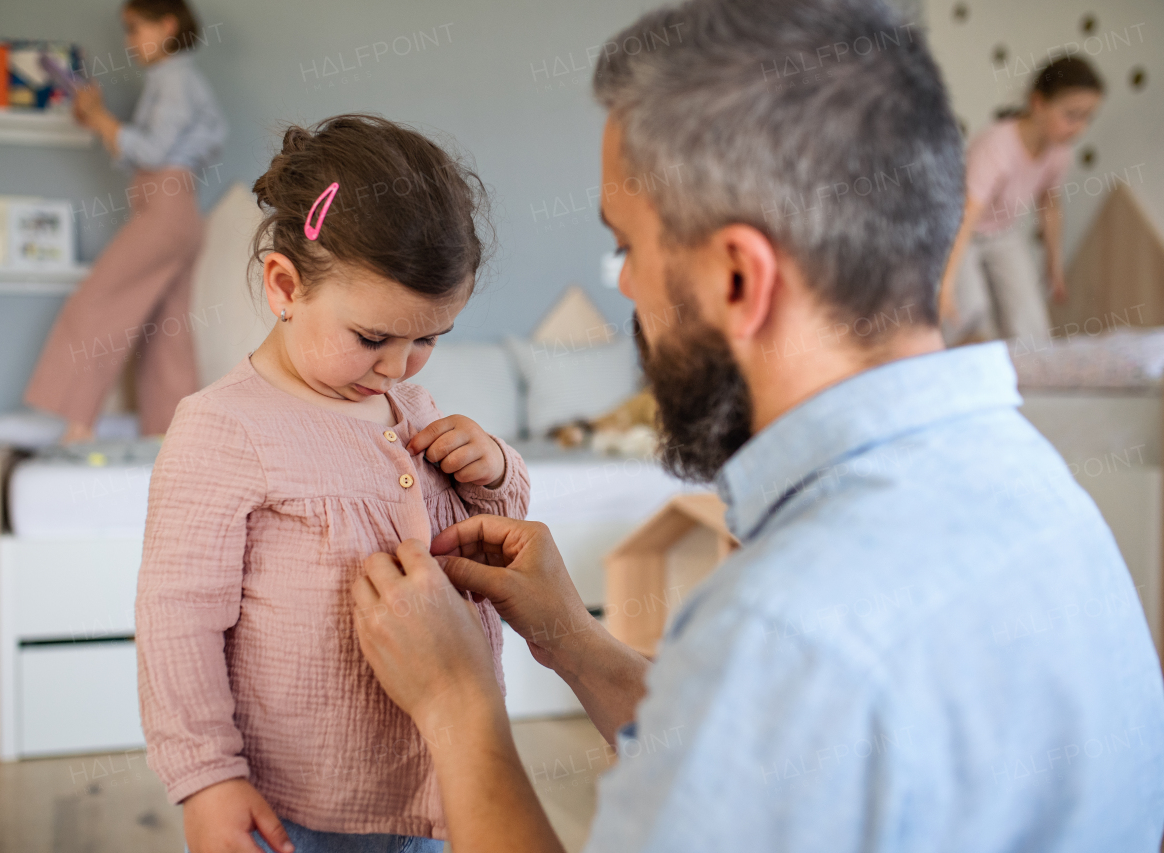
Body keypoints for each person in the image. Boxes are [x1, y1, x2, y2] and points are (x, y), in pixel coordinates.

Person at [349, 1, 1164, 851]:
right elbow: (768, 759)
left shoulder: (788, 632)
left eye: (628, 248)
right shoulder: (1039, 489)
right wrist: (574, 641)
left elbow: (786, 686)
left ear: (739, 277)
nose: (624, 286)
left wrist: (458, 705)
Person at [135, 116, 529, 853]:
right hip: (306, 805)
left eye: (428, 339)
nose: (398, 367)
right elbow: (176, 620)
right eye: (374, 338)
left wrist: (497, 469)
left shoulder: (411, 407)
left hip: (447, 786)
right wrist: (207, 776)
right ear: (284, 286)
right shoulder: (222, 427)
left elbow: (493, 535)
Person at [24, 0, 226, 442]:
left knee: (98, 303)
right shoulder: (178, 80)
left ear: (167, 24)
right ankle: (175, 439)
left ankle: (78, 426)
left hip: (166, 211)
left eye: (135, 28)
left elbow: (152, 152)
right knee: (165, 332)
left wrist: (100, 117)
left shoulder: (174, 78)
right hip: (177, 211)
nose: (128, 40)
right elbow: (187, 143)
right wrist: (100, 123)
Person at [940, 56, 1103, 348]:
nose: (1079, 128)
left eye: (1087, 118)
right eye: (1071, 115)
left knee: (1031, 323)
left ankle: (1033, 382)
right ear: (1038, 103)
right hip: (960, 232)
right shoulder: (996, 145)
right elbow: (966, 215)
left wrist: (1054, 266)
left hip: (1003, 233)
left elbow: (1050, 205)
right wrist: (946, 283)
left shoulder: (1059, 151)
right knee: (969, 314)